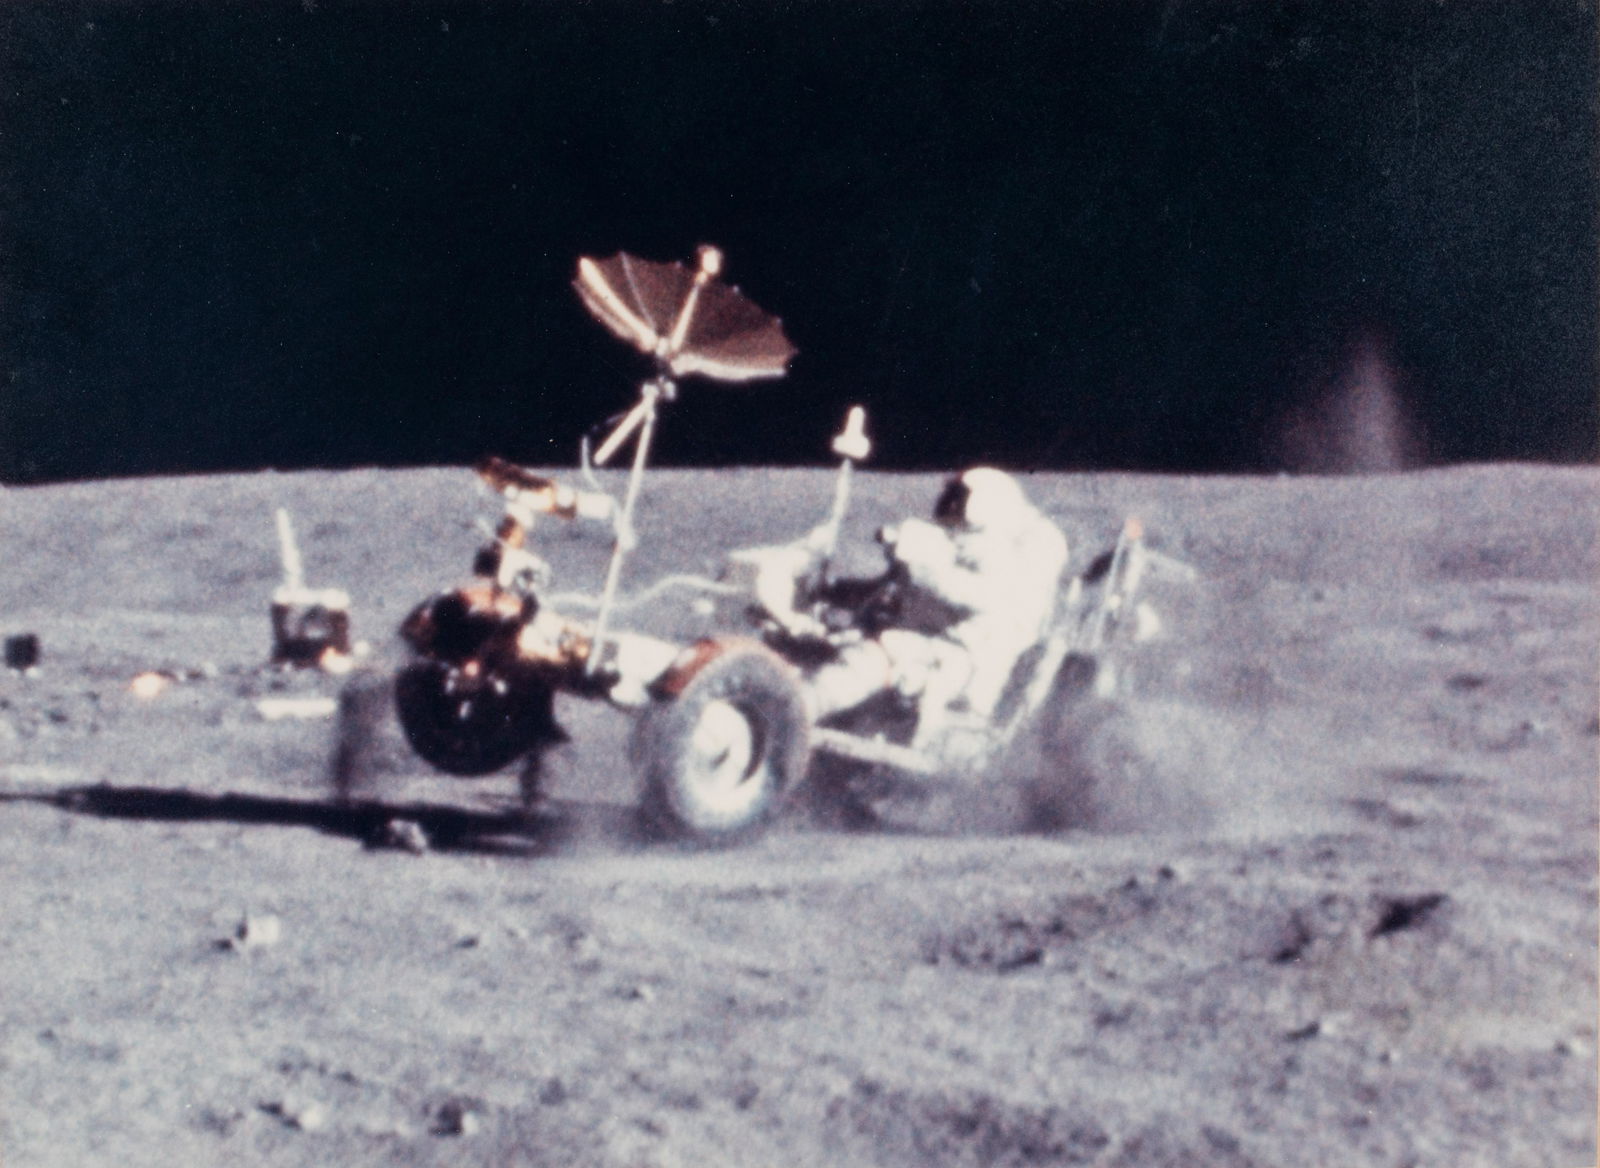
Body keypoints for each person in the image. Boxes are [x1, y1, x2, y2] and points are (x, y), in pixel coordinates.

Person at [799, 466, 1069, 746]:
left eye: (959, 499)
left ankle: (799, 706)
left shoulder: (1000, 556)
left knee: (873, 657)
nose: (951, 506)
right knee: (831, 641)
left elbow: (982, 596)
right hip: (935, 647)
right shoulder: (951, 548)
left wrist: (922, 571)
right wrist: (834, 591)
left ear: (983, 506)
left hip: (963, 662)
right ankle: (797, 701)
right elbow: (886, 589)